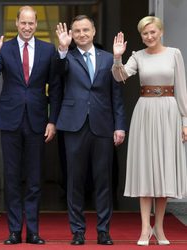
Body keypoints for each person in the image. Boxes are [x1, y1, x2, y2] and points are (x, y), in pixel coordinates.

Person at [0, 6, 61, 245]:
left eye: (31, 23)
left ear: (36, 25)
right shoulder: (2, 48)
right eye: (23, 23)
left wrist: (52, 120)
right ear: (16, 23)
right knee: (12, 177)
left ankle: (34, 231)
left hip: (38, 120)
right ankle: (15, 231)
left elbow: (56, 86)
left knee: (35, 179)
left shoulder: (49, 50)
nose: (27, 27)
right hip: (10, 120)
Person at [112, 16, 187, 246]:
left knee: (163, 171)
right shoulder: (138, 56)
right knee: (146, 171)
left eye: (153, 32)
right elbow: (120, 76)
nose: (149, 36)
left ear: (161, 32)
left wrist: (185, 119)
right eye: (145, 33)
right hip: (145, 112)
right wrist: (117, 57)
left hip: (169, 112)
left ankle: (160, 229)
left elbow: (181, 88)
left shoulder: (174, 53)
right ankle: (145, 229)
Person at [55, 16, 126, 245]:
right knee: (74, 180)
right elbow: (57, 75)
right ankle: (77, 231)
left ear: (94, 31)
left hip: (103, 124)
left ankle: (103, 230)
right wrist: (63, 49)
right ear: (72, 34)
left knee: (103, 179)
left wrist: (120, 126)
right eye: (77, 31)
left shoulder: (108, 59)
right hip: (74, 125)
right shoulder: (67, 57)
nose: (82, 34)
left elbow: (117, 95)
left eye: (86, 29)